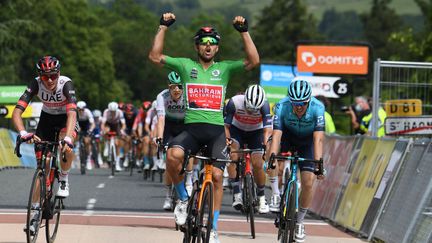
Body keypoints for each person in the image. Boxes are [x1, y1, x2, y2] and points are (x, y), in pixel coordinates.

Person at [148, 12, 259, 243]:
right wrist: (163, 27)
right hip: (193, 130)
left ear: (217, 49)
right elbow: (155, 56)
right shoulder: (185, 65)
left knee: (217, 177)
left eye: (213, 44)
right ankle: (182, 199)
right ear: (197, 46)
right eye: (204, 43)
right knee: (172, 156)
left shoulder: (225, 68)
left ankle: (215, 227)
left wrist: (244, 32)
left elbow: (253, 61)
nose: (208, 47)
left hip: (216, 132)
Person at [12, 56, 78, 233]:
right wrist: (23, 133)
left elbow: (72, 113)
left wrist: (69, 138)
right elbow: (17, 112)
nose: (49, 80)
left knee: (67, 143)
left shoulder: (66, 84)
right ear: (39, 76)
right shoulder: (34, 84)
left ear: (59, 74)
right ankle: (35, 213)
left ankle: (63, 178)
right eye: (45, 77)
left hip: (66, 118)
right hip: (47, 119)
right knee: (43, 166)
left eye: (53, 76)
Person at [268, 80, 325, 243]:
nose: (298, 107)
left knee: (308, 182)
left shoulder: (318, 107)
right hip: (287, 136)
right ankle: (275, 194)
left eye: (302, 103)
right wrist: (272, 157)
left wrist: (319, 164)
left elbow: (318, 139)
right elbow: (277, 134)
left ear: (308, 100)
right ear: (290, 100)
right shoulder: (281, 106)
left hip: (307, 141)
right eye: (295, 103)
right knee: (269, 149)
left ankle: (299, 222)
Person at [224, 84, 272, 214]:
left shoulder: (265, 105)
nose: (251, 111)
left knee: (258, 163)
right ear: (244, 99)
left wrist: (265, 144)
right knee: (233, 156)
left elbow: (267, 130)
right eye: (249, 108)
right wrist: (228, 142)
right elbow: (226, 126)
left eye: (254, 109)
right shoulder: (234, 102)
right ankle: (236, 193)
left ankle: (261, 197)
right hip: (236, 130)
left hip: (256, 131)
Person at [154, 71, 186, 210]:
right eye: (173, 87)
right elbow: (161, 120)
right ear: (169, 87)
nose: (177, 90)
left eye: (179, 86)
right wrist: (160, 138)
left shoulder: (188, 95)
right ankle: (168, 196)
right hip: (169, 127)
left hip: (185, 125)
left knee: (187, 156)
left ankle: (189, 184)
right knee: (169, 163)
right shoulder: (162, 96)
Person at [101, 101, 126, 172]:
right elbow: (103, 123)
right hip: (108, 124)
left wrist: (122, 130)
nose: (112, 112)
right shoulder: (106, 112)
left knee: (117, 143)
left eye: (114, 111)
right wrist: (103, 130)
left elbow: (123, 124)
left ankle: (117, 163)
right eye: (111, 111)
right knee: (106, 130)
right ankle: (107, 144)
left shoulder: (119, 112)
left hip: (116, 125)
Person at [76, 101, 96, 170]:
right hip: (79, 124)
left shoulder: (88, 112)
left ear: (85, 109)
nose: (81, 111)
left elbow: (93, 124)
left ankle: (88, 159)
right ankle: (78, 147)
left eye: (82, 109)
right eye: (79, 109)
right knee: (75, 134)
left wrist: (90, 130)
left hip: (87, 125)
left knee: (87, 141)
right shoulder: (75, 112)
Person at [122, 103, 138, 168]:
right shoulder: (123, 114)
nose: (129, 115)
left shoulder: (136, 114)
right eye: (127, 114)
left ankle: (136, 155)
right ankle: (126, 156)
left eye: (130, 114)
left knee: (136, 138)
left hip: (135, 126)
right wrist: (123, 133)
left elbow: (137, 123)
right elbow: (123, 125)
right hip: (127, 127)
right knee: (127, 139)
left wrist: (134, 133)